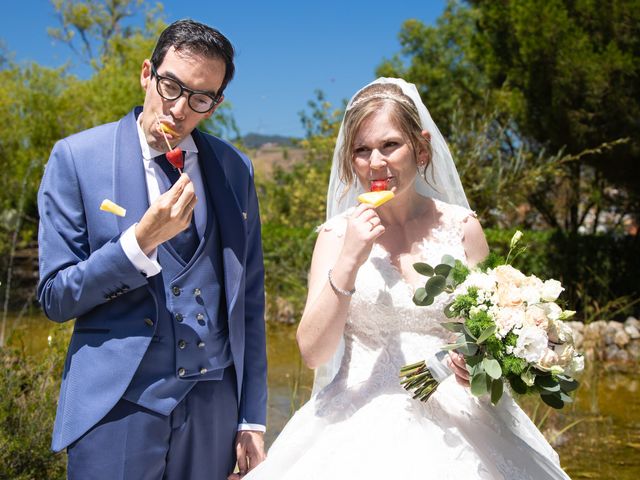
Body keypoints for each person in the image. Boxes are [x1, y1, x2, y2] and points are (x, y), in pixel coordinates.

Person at [242, 78, 571, 479]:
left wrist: (478, 366)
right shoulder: (334, 236)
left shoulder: (463, 228)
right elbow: (312, 353)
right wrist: (348, 259)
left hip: (461, 421)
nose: (375, 163)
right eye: (361, 150)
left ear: (421, 148)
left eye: (389, 145)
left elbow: (488, 336)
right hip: (354, 417)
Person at [37, 19, 267, 480]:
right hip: (118, 403)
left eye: (201, 98)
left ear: (215, 103)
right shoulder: (76, 158)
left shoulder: (233, 168)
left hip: (214, 407)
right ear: (147, 73)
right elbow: (55, 297)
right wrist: (137, 245)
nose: (181, 109)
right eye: (171, 86)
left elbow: (249, 301)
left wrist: (251, 417)